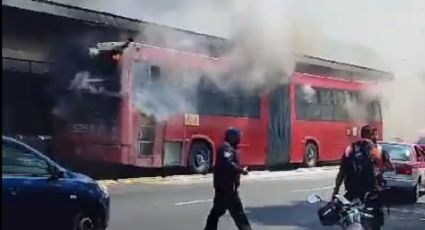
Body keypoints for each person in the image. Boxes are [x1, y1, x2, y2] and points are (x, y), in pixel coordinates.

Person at [332, 125, 384, 230]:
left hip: (352, 192)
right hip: (371, 194)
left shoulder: (350, 148)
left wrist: (336, 190)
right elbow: (386, 168)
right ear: (371, 135)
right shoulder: (377, 149)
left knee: (346, 217)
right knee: (376, 220)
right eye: (375, 135)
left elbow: (341, 172)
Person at [204, 127, 252, 230]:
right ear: (232, 137)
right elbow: (227, 163)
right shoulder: (226, 148)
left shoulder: (229, 148)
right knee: (238, 214)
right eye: (237, 136)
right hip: (227, 188)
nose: (239, 138)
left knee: (216, 212)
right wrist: (241, 170)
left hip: (223, 188)